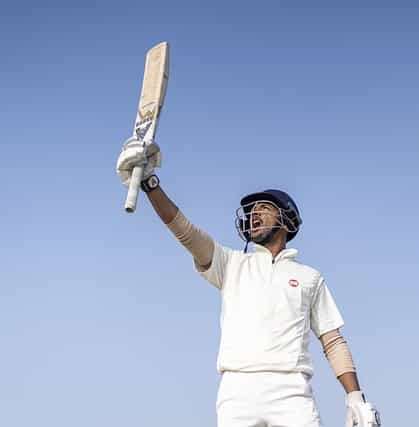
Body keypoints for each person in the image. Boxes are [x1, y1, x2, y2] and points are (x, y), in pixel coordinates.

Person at [116, 137, 381, 427]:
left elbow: (333, 341)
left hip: (292, 391)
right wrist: (150, 183)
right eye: (250, 211)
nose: (253, 214)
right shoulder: (231, 264)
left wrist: (354, 396)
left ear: (287, 219)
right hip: (237, 389)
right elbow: (185, 232)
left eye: (262, 208)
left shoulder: (309, 277)